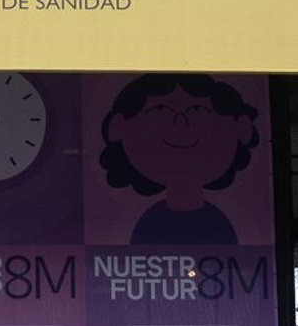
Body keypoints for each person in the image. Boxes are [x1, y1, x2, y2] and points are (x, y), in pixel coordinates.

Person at [97, 74, 261, 245]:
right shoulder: (149, 224)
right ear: (118, 127)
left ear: (242, 128)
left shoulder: (218, 225)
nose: (180, 122)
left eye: (197, 110)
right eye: (160, 110)